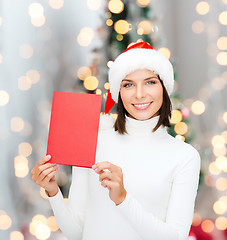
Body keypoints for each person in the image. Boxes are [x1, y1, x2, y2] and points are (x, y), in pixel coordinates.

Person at [31, 42, 201, 240]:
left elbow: (176, 237)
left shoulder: (184, 156)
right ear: (118, 91)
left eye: (150, 82)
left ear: (164, 86)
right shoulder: (94, 141)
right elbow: (77, 233)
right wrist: (53, 192)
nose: (139, 94)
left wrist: (123, 199)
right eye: (128, 84)